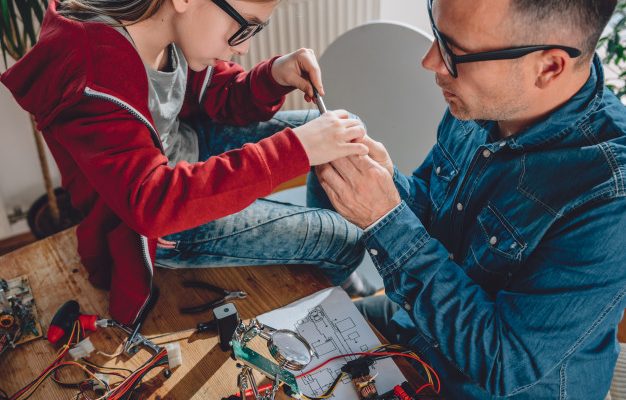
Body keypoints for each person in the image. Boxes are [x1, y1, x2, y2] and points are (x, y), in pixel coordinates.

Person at [314, 0, 626, 398]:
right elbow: (439, 219)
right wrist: (389, 185)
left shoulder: (610, 195)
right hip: (418, 328)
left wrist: (385, 218)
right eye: (437, 36)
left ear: (549, 67)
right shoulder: (482, 102)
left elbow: (504, 364)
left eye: (453, 53)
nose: (430, 62)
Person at [0, 0, 372, 326]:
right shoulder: (91, 74)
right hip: (162, 223)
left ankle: (322, 256)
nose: (243, 49)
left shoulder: (161, 24)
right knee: (349, 239)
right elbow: (152, 203)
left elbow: (224, 98)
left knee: (344, 128)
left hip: (187, 150)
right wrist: (294, 152)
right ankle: (331, 272)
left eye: (257, 29)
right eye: (243, 27)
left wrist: (275, 75)